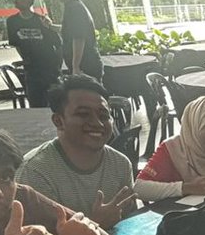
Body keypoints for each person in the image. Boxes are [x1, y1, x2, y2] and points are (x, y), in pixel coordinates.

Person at [18, 75, 172, 225]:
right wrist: (96, 224)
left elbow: (130, 227)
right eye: (83, 114)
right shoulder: (35, 172)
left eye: (104, 115)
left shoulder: (120, 164)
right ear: (59, 121)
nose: (97, 123)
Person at [5, 0, 62, 108]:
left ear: (30, 0)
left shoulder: (42, 20)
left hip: (49, 68)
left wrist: (56, 66)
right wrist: (27, 59)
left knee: (55, 103)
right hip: (31, 70)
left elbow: (57, 43)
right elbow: (17, 44)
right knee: (36, 103)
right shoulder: (12, 22)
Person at [47, 0, 102, 80]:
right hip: (84, 64)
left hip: (86, 65)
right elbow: (70, 30)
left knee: (88, 96)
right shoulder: (71, 6)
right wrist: (50, 26)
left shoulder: (74, 8)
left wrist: (76, 66)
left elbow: (79, 38)